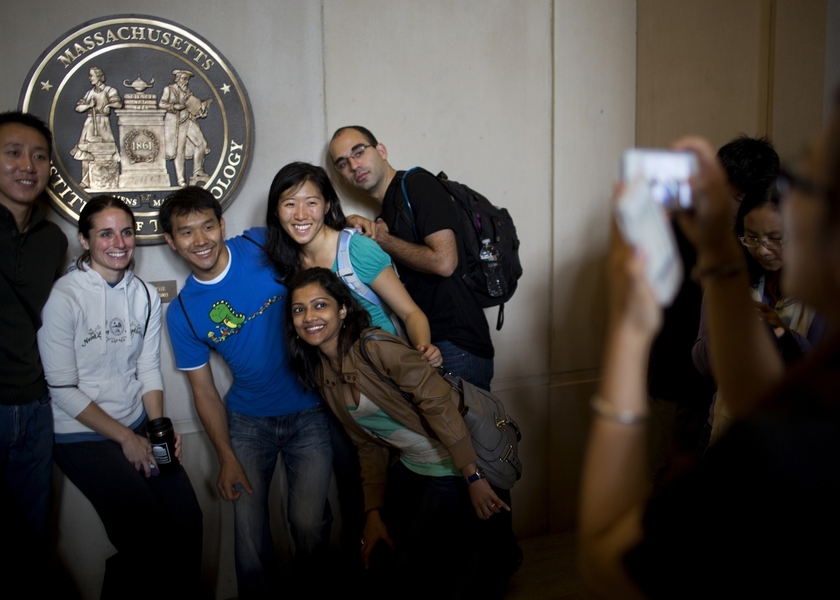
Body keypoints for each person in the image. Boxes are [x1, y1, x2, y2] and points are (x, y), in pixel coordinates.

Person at [579, 93, 840, 598]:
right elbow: (760, 396)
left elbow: (610, 559)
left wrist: (629, 331)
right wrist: (720, 252)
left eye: (807, 180)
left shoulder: (799, 451)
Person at [286, 267, 508, 599]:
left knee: (415, 571)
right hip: (410, 466)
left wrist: (472, 477)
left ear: (342, 309)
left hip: (449, 466)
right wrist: (373, 512)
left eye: (320, 305)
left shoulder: (375, 346)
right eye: (298, 309)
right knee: (387, 565)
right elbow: (366, 444)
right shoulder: (323, 373)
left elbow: (438, 402)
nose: (308, 317)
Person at [161, 186, 332, 598]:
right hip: (248, 424)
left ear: (222, 225)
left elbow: (320, 241)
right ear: (171, 241)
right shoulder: (182, 310)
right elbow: (203, 391)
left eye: (207, 226)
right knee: (249, 538)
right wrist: (226, 457)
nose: (200, 240)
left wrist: (356, 228)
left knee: (309, 524)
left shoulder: (260, 242)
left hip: (310, 411)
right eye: (186, 232)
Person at [38, 196, 202, 598]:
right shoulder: (65, 297)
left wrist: (157, 430)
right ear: (85, 239)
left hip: (136, 423)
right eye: (105, 233)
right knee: (147, 536)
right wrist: (127, 439)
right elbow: (60, 388)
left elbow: (147, 369)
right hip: (79, 432)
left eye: (126, 232)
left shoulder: (144, 294)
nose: (119, 242)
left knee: (189, 520)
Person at [328, 126, 494, 392]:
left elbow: (444, 262)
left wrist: (383, 240)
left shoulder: (418, 184)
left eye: (358, 152)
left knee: (468, 434)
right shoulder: (388, 211)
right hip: (430, 344)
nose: (354, 165)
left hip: (458, 344)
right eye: (343, 164)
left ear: (381, 150)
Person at [265, 161, 440, 364]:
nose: (301, 215)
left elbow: (410, 313)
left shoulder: (357, 249)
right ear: (276, 211)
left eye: (311, 202)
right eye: (289, 204)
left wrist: (423, 350)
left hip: (387, 370)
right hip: (341, 382)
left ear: (327, 205)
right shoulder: (286, 263)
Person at [693, 186, 826, 443]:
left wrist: (784, 336)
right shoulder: (728, 281)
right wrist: (727, 327)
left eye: (776, 238)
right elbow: (701, 364)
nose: (762, 250)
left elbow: (823, 375)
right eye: (751, 238)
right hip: (726, 427)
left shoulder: (820, 290)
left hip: (795, 435)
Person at [0, 111, 68, 583]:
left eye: (39, 155)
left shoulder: (52, 240)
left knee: (32, 536)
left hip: (36, 407)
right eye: (13, 153)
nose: (28, 164)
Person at [70, 66, 122, 188]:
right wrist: (89, 105)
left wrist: (109, 105)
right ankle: (85, 180)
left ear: (99, 76)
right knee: (86, 150)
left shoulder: (110, 90)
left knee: (107, 150)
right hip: (90, 123)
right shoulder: (89, 93)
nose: (90, 78)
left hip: (103, 123)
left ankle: (109, 179)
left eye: (91, 75)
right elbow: (78, 108)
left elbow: (118, 103)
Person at [159, 69, 212, 187]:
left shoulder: (188, 91)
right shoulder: (169, 89)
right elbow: (162, 104)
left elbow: (193, 105)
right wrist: (174, 106)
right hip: (175, 123)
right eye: (183, 78)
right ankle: (181, 181)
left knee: (201, 143)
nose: (185, 81)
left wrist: (201, 107)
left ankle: (197, 171)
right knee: (179, 151)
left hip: (188, 120)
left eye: (187, 79)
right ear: (177, 79)